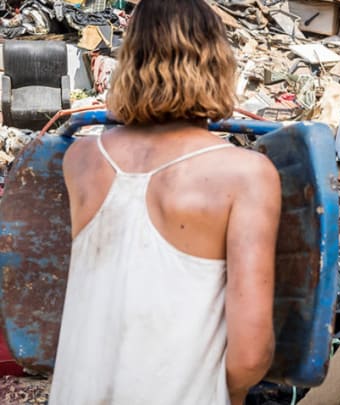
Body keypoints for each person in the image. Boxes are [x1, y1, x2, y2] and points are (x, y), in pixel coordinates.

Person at [49, 1, 281, 404]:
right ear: (216, 63)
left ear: (130, 60)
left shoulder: (81, 160)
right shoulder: (245, 175)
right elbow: (250, 355)